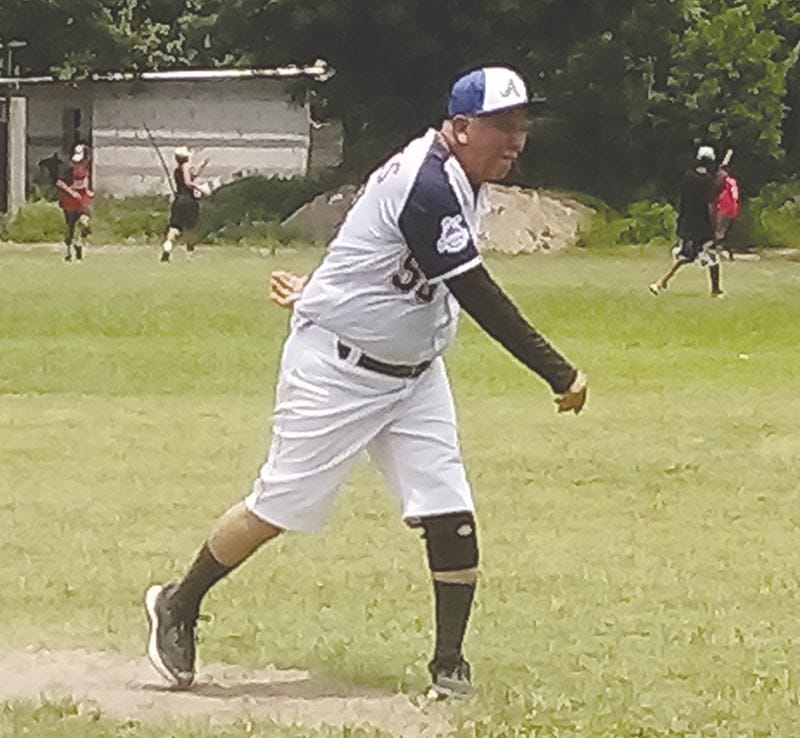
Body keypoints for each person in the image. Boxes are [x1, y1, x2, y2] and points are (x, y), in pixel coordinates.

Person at [144, 66, 588, 700]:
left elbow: (370, 248)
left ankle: (449, 667)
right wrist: (558, 371)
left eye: (521, 125)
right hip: (338, 371)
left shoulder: (463, 173)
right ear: (459, 128)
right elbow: (477, 293)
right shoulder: (429, 184)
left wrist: (321, 291)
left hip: (413, 375)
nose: (516, 138)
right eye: (501, 126)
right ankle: (179, 603)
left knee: (449, 508)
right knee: (279, 506)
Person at [649, 145, 725, 298]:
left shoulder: (688, 177)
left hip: (687, 223)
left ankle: (662, 282)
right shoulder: (709, 182)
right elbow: (711, 202)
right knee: (712, 257)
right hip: (703, 226)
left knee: (687, 255)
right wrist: (715, 226)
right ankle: (716, 290)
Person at [160, 146, 208, 262]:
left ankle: (167, 249)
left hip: (178, 200)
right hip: (189, 200)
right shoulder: (186, 167)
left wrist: (202, 166)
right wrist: (201, 189)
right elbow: (188, 182)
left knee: (174, 227)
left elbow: (191, 176)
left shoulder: (177, 170)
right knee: (189, 228)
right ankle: (189, 255)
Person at [55, 144, 93, 262]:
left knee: (85, 222)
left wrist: (87, 191)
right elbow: (59, 183)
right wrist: (71, 192)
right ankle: (68, 252)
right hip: (70, 202)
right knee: (70, 226)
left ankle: (79, 244)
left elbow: (85, 181)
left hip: (82, 200)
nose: (78, 164)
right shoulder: (68, 171)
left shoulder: (86, 169)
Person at [714, 162, 741, 260]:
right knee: (722, 231)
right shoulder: (729, 181)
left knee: (718, 231)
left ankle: (718, 251)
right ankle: (726, 252)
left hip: (724, 208)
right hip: (729, 209)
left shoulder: (724, 182)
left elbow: (734, 195)